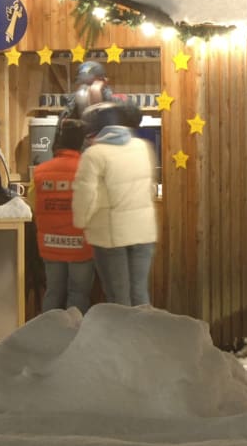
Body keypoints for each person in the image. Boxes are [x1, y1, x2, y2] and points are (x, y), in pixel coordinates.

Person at [72, 103, 157, 307]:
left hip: (110, 236)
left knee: (118, 297)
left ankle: (121, 329)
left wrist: (80, 222)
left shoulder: (94, 154)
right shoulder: (142, 147)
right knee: (139, 293)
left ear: (95, 131)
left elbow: (86, 195)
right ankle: (146, 327)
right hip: (143, 232)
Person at [32, 118, 95, 312]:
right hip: (80, 246)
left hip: (50, 244)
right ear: (80, 143)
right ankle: (74, 330)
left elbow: (32, 203)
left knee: (53, 292)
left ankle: (48, 329)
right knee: (78, 294)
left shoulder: (40, 171)